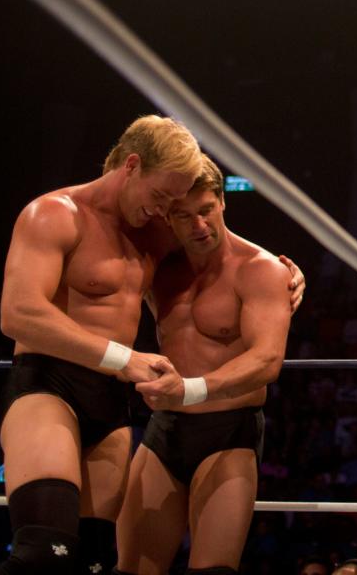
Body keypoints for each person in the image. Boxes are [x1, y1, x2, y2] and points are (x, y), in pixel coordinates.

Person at [0, 116, 305, 575]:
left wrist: (291, 278)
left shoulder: (156, 235)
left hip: (115, 407)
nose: (168, 213)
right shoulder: (55, 214)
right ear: (132, 166)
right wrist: (127, 359)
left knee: (96, 563)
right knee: (44, 555)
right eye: (165, 200)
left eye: (177, 205)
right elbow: (18, 313)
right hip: (50, 384)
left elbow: (233, 264)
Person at [114, 157, 293, 575]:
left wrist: (189, 388)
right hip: (165, 429)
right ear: (167, 217)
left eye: (206, 210)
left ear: (223, 203)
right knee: (130, 569)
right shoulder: (155, 266)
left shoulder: (260, 270)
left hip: (229, 432)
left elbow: (267, 360)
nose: (199, 225)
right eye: (183, 216)